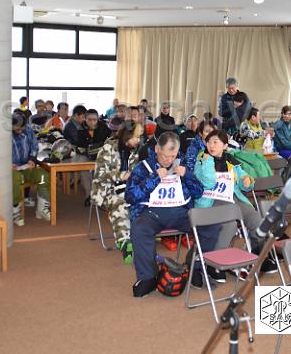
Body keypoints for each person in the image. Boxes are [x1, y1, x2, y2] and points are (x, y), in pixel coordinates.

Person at [125, 132, 219, 297]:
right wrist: (154, 178)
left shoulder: (181, 165)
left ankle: (194, 266)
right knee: (139, 230)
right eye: (165, 156)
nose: (169, 160)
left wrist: (187, 175)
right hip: (151, 213)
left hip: (180, 212)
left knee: (210, 226)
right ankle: (147, 277)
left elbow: (198, 192)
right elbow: (130, 196)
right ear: (156, 149)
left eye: (173, 156)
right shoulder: (143, 167)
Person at [194, 130, 278, 280]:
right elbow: (208, 182)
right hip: (212, 201)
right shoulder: (201, 160)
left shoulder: (230, 161)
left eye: (215, 142)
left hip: (233, 199)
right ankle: (214, 263)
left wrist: (247, 181)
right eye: (209, 142)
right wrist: (208, 161)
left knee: (256, 220)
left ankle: (257, 256)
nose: (211, 145)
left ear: (225, 146)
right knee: (230, 224)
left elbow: (244, 180)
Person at [91, 126, 140, 264]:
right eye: (136, 137)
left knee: (142, 201)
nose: (138, 140)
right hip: (105, 190)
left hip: (126, 189)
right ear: (127, 136)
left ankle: (139, 237)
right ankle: (124, 243)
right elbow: (100, 175)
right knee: (120, 204)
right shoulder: (108, 149)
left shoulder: (135, 152)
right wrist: (121, 175)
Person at [11, 115, 51, 225]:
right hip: (11, 169)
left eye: (22, 128)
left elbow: (34, 147)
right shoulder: (4, 134)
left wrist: (32, 159)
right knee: (15, 179)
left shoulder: (28, 130)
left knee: (43, 176)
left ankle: (42, 210)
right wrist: (7, 164)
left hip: (26, 166)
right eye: (17, 128)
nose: (20, 130)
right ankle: (15, 210)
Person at [75, 109, 111, 201]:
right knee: (83, 169)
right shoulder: (80, 128)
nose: (92, 122)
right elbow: (79, 145)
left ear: (97, 119)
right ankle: (89, 194)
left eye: (94, 120)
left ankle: (101, 193)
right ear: (85, 119)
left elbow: (111, 138)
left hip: (101, 154)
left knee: (104, 169)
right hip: (86, 154)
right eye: (89, 120)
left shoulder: (103, 127)